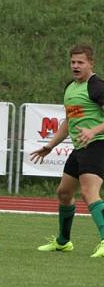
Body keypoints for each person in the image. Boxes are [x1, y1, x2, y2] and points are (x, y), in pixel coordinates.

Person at [30, 44, 104, 258]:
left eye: (80, 62)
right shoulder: (70, 87)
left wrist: (93, 130)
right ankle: (63, 242)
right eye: (73, 62)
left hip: (98, 144)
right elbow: (68, 121)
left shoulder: (97, 86)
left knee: (89, 191)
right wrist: (50, 145)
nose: (75, 66)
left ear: (91, 63)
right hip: (80, 147)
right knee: (64, 193)